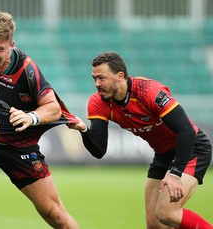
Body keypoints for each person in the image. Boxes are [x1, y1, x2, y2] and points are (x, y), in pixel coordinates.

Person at [0, 11, 79, 229]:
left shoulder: (27, 69)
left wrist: (31, 116)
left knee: (56, 215)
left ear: (11, 45)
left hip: (20, 147)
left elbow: (53, 108)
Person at [68, 51, 212, 229]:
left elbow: (186, 131)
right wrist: (83, 130)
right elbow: (99, 151)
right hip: (163, 155)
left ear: (120, 76)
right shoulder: (98, 102)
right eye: (94, 78)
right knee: (154, 223)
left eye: (102, 78)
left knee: (167, 213)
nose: (97, 84)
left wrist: (175, 173)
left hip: (191, 148)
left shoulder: (148, 91)